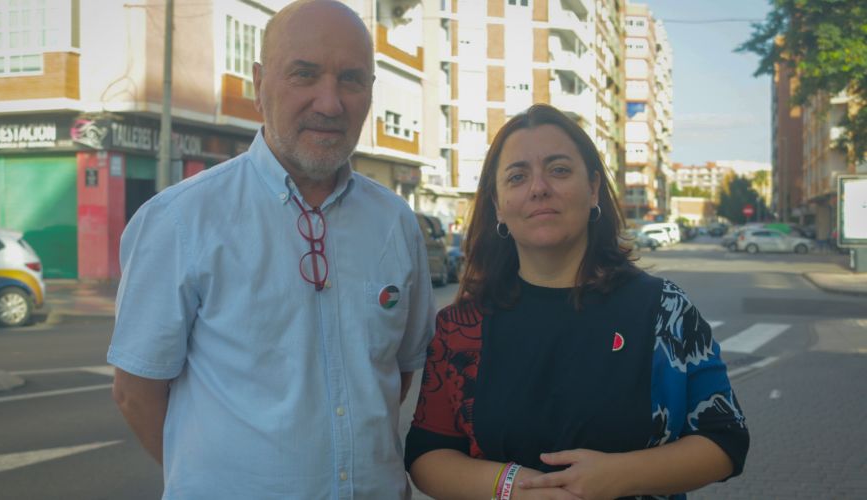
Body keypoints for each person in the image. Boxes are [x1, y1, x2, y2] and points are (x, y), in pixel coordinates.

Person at [107, 1, 436, 498]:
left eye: (351, 79)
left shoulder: (396, 222)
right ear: (259, 83)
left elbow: (397, 373)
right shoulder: (179, 220)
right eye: (304, 74)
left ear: (371, 91)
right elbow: (136, 393)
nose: (330, 103)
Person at [405, 104, 749, 500]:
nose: (538, 188)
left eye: (559, 170)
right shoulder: (460, 326)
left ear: (594, 188)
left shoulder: (664, 310)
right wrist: (515, 489)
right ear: (497, 204)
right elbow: (427, 455)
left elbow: (725, 438)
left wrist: (621, 475)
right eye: (517, 176)